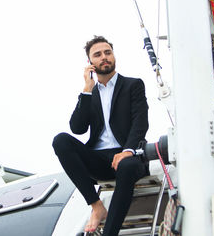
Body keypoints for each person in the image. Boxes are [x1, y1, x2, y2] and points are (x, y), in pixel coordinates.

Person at [52, 35, 149, 236]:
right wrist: (86, 91)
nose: (104, 57)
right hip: (98, 159)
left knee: (127, 164)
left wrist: (128, 151)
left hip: (128, 156)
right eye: (98, 55)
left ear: (113, 56)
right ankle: (96, 206)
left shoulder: (133, 85)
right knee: (60, 140)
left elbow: (141, 122)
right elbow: (77, 128)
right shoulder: (91, 94)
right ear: (90, 63)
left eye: (108, 52)